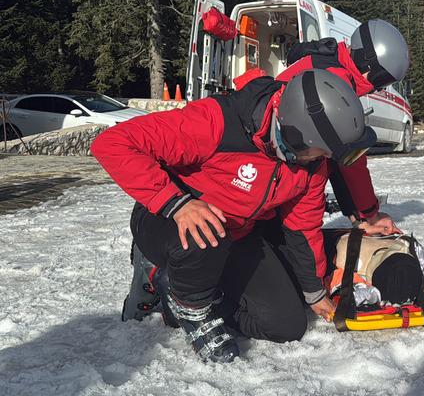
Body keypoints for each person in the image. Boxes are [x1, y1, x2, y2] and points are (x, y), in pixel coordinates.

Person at [92, 69, 376, 363]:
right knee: (208, 235)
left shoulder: (312, 165)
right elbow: (113, 144)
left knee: (286, 325)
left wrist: (314, 291)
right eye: (320, 153)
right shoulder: (217, 122)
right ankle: (189, 305)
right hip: (168, 220)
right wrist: (177, 203)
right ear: (295, 135)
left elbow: (302, 226)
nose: (322, 160)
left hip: (236, 233)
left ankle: (179, 287)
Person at [274, 19, 410, 235]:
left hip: (283, 151)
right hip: (285, 161)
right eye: (380, 79)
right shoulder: (337, 81)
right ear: (367, 63)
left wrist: (357, 214)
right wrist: (370, 214)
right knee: (301, 233)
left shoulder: (328, 59)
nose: (377, 88)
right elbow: (350, 159)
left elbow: (337, 158)